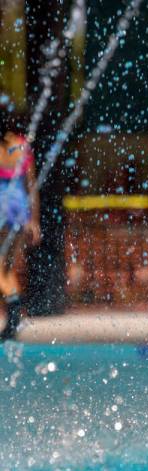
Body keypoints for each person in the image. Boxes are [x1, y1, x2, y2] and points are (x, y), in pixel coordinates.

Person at [0, 112, 41, 341]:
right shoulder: (22, 146)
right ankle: (13, 317)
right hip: (18, 211)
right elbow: (31, 185)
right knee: (5, 268)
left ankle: (14, 314)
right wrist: (33, 220)